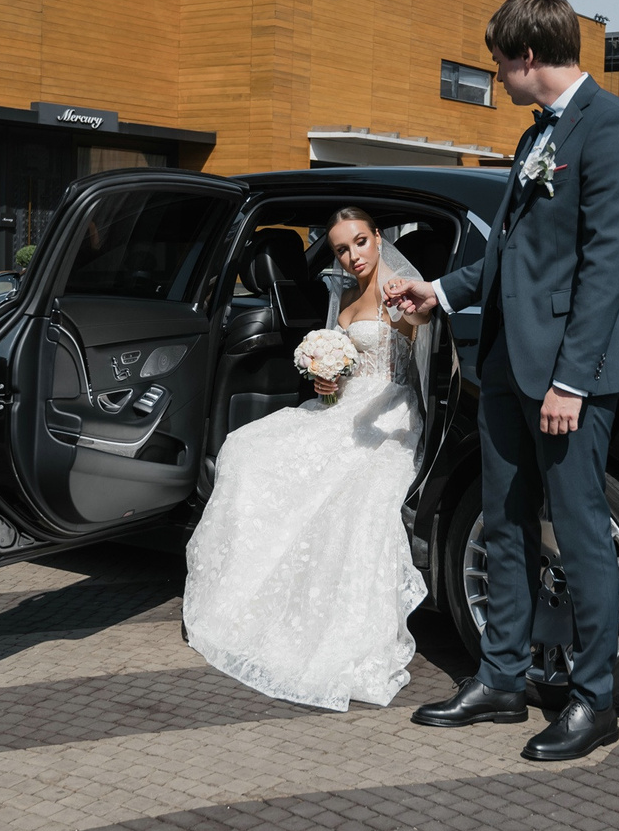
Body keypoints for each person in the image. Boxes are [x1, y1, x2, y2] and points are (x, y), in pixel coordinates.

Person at [386, 0, 619, 762]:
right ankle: (501, 678)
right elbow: (511, 252)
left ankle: (594, 699)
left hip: (570, 373)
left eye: (500, 64)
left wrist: (572, 380)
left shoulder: (614, 128)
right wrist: (439, 291)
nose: (497, 77)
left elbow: (607, 266)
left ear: (528, 57)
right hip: (506, 363)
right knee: (503, 519)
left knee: (579, 527)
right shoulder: (538, 133)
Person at [182, 207, 435, 711]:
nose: (352, 256)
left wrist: (409, 310)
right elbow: (342, 367)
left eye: (360, 242)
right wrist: (326, 379)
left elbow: (419, 325)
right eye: (341, 249)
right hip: (341, 407)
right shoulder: (343, 295)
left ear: (377, 237)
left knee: (349, 490)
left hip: (388, 410)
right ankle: (245, 597)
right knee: (247, 451)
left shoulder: (401, 290)